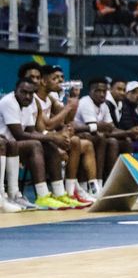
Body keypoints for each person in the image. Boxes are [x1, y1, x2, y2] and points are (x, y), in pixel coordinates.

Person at [0, 78, 72, 210]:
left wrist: (53, 139)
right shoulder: (8, 102)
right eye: (24, 92)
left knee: (48, 145)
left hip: (13, 146)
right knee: (35, 144)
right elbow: (19, 134)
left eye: (30, 93)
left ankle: (59, 193)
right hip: (5, 146)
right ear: (15, 91)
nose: (27, 96)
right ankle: (41, 195)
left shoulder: (28, 103)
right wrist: (53, 137)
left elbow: (31, 131)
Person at [35, 65, 96, 205]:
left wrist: (73, 99)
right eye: (55, 78)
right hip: (40, 138)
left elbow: (67, 120)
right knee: (72, 142)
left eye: (61, 78)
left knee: (78, 141)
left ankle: (71, 192)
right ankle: (66, 191)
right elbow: (48, 126)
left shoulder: (50, 98)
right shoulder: (35, 99)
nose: (60, 81)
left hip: (48, 136)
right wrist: (68, 107)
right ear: (44, 81)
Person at [74, 78, 134, 193]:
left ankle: (122, 184)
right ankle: (100, 184)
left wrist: (128, 133)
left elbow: (111, 128)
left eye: (104, 91)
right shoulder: (86, 103)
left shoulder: (104, 106)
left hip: (95, 136)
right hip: (81, 135)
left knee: (126, 141)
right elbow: (95, 129)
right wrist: (126, 132)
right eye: (98, 91)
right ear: (90, 91)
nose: (102, 94)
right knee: (109, 141)